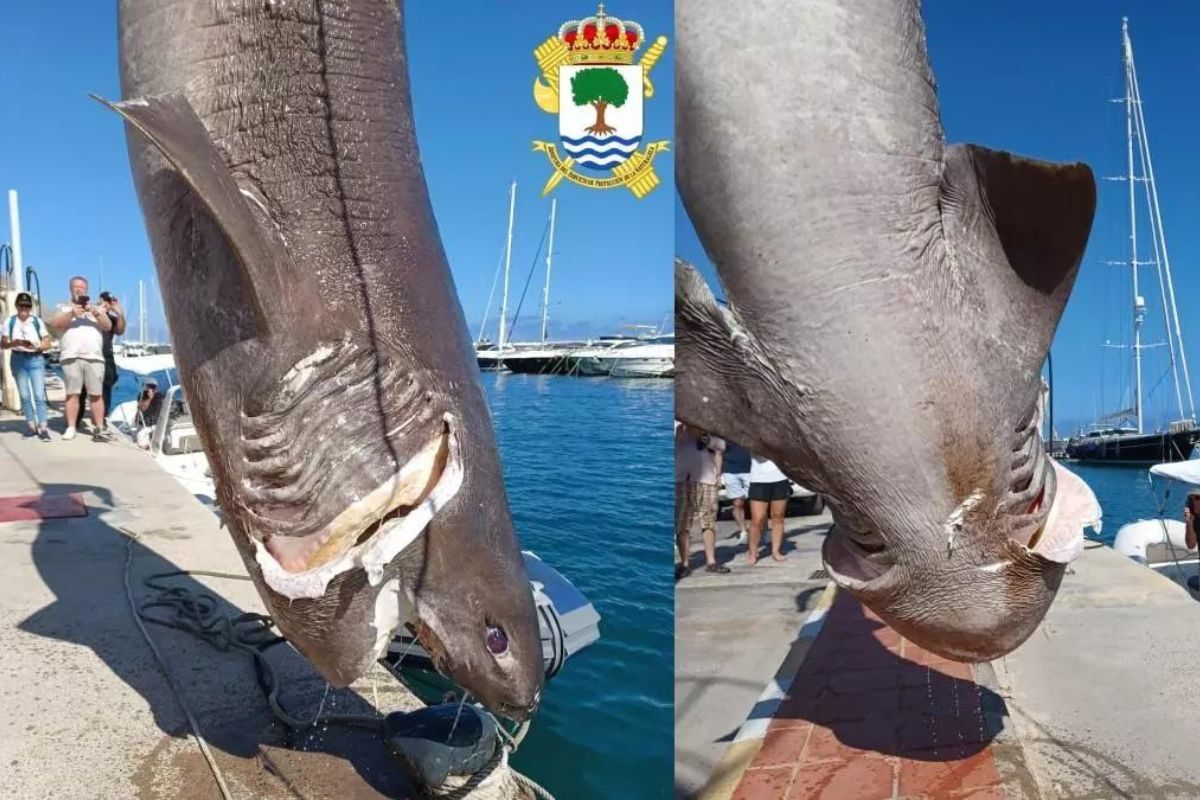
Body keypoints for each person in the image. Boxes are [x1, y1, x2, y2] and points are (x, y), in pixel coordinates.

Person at [48, 276, 112, 441]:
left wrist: (96, 312)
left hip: (94, 357)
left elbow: (107, 326)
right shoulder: (63, 307)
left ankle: (99, 427)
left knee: (96, 395)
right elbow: (55, 323)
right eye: (76, 287)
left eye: (82, 287)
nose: (79, 290)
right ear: (70, 289)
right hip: (71, 356)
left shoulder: (96, 308)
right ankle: (71, 427)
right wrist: (72, 313)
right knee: (72, 393)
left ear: (87, 290)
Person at [675, 422, 729, 579]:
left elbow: (720, 451)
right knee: (682, 524)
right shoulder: (680, 431)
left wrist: (719, 476)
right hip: (682, 480)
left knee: (708, 522)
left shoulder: (712, 432)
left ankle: (711, 562)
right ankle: (684, 563)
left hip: (708, 480)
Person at [1, 292, 52, 441]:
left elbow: (47, 342)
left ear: (30, 308)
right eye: (22, 306)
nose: (24, 309)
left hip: (35, 359)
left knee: (38, 396)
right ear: (16, 306)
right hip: (18, 359)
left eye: (27, 306)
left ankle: (43, 428)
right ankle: (31, 426)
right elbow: (3, 344)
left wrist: (37, 347)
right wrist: (14, 343)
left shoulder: (36, 321)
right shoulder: (10, 322)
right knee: (24, 395)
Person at [76, 290, 126, 428]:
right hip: (89, 355)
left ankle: (101, 419)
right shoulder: (91, 314)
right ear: (99, 300)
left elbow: (120, 330)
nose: (108, 304)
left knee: (106, 388)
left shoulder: (112, 317)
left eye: (110, 301)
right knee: (82, 389)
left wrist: (120, 313)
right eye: (105, 300)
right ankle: (76, 417)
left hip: (106, 356)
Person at [747, 454, 791, 565]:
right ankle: (752, 552)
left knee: (778, 516)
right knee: (757, 519)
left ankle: (775, 551)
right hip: (758, 479)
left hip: (780, 477)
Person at [721, 440, 752, 543]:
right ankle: (743, 531)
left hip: (750, 469)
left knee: (757, 502)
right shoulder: (724, 431)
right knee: (737, 503)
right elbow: (718, 451)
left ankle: (764, 531)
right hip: (730, 470)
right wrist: (718, 474)